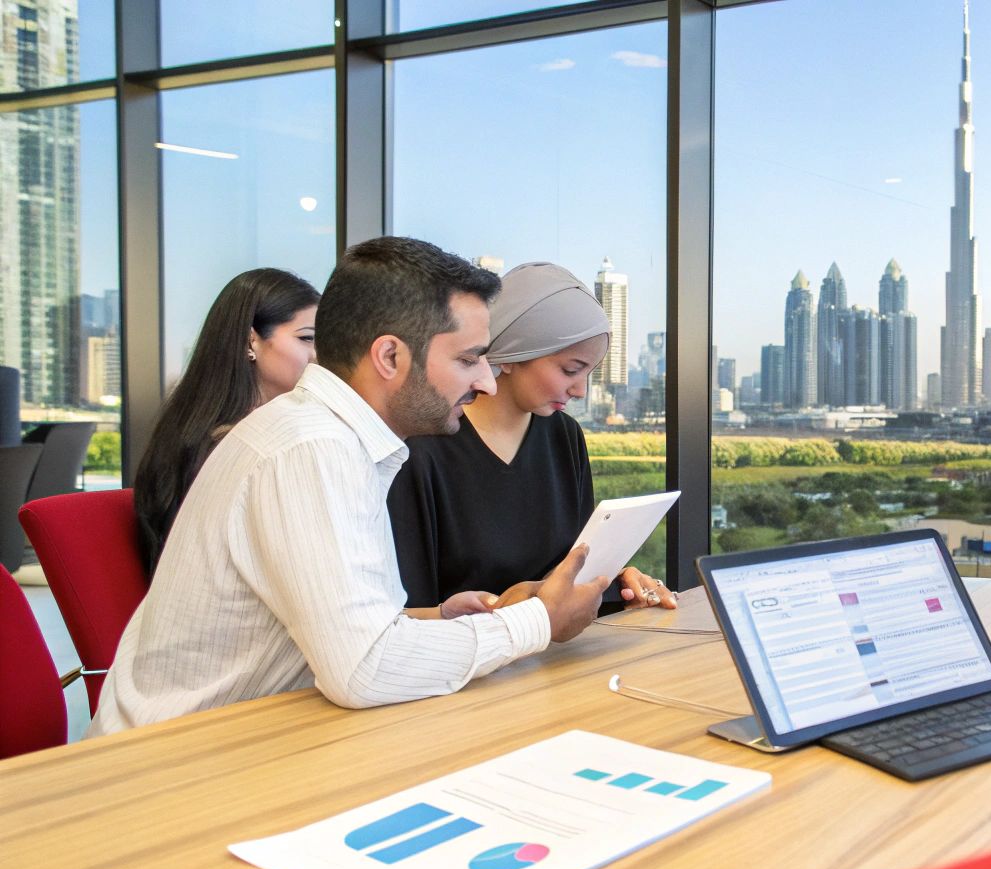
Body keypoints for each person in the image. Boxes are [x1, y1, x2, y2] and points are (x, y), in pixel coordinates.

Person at [89, 237, 613, 737]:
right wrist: (536, 621)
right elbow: (364, 670)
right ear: (389, 357)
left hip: (258, 734)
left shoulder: (339, 440)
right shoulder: (312, 450)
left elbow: (353, 633)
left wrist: (435, 620)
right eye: (467, 359)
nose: (485, 381)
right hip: (176, 763)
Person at [388, 262, 674, 613]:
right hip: (469, 662)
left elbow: (573, 568)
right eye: (570, 369)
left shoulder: (564, 436)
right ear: (510, 355)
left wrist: (617, 584)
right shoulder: (421, 447)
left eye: (590, 373)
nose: (581, 390)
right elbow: (409, 615)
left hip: (561, 654)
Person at [133, 268, 320, 572]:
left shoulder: (212, 428)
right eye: (306, 338)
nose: (316, 354)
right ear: (251, 341)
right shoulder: (235, 446)